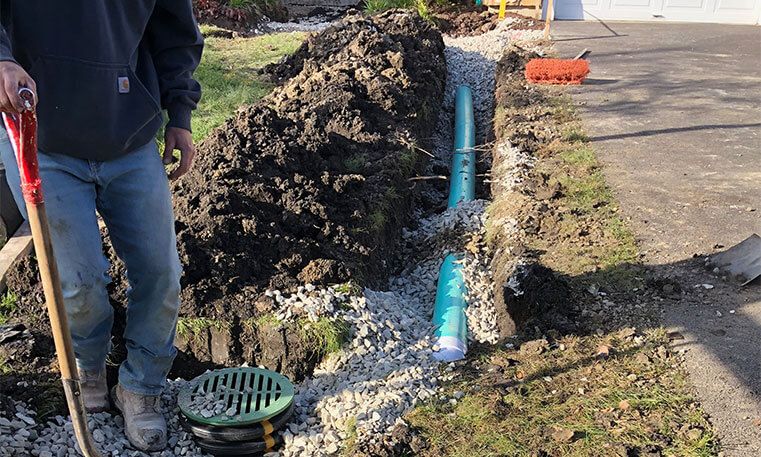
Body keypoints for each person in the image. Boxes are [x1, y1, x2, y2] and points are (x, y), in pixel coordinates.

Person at [0, 1, 203, 452]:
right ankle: (88, 364)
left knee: (160, 273)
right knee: (77, 280)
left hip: (128, 134)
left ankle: (141, 385)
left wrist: (180, 114)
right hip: (41, 134)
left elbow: (175, 34)